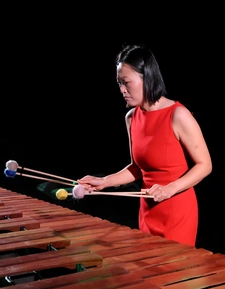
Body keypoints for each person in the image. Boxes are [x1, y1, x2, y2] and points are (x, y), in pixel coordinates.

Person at [78, 43, 212, 247]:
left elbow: (205, 165)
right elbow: (137, 168)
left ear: (146, 77)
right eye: (119, 83)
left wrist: (170, 189)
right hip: (147, 210)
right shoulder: (131, 118)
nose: (122, 90)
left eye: (126, 82)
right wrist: (104, 181)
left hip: (176, 212)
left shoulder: (178, 115)